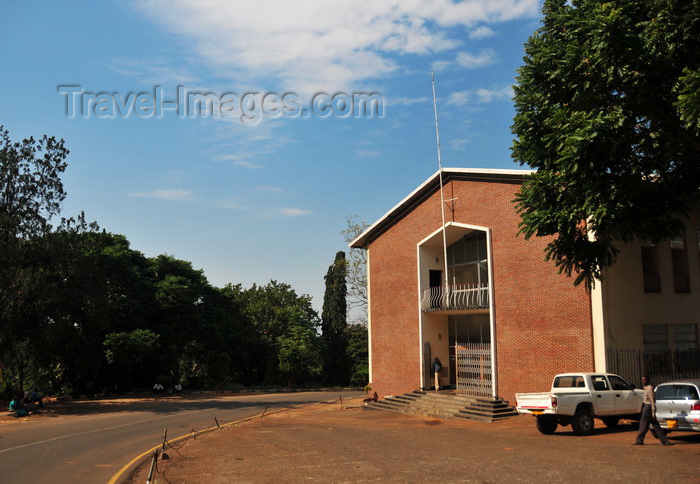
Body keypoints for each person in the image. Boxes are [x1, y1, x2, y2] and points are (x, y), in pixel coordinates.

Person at [634, 375, 671, 445]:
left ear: (647, 380)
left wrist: (653, 411)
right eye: (642, 380)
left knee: (643, 424)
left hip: (648, 408)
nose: (643, 381)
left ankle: (639, 440)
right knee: (655, 425)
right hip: (646, 407)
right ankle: (665, 441)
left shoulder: (649, 388)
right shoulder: (645, 388)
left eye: (644, 380)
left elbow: (652, 400)